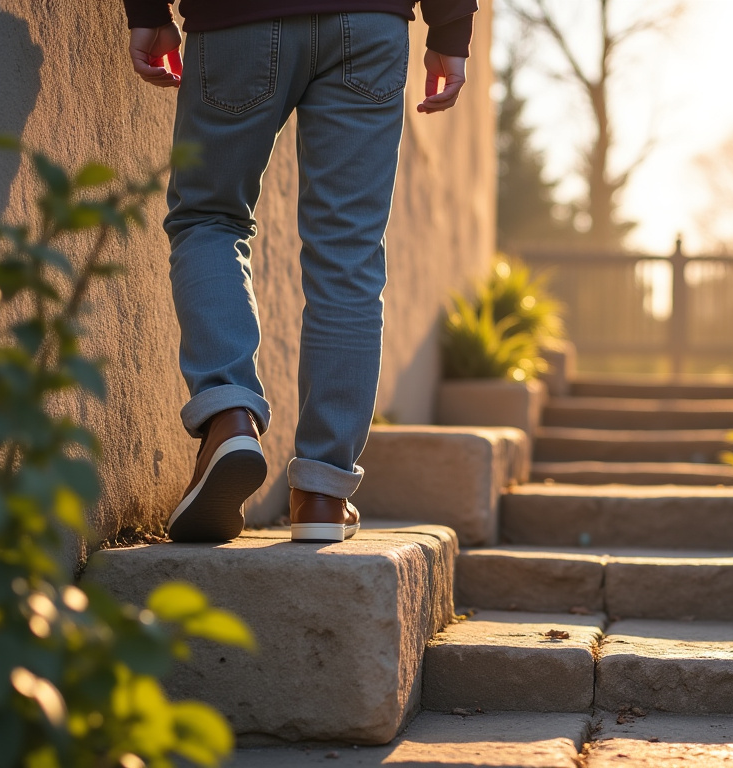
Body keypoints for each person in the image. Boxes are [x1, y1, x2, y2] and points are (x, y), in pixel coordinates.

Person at [122, 0, 475, 544]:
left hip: (238, 22)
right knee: (348, 253)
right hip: (369, 25)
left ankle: (230, 416)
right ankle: (321, 493)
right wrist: (451, 29)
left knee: (209, 216)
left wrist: (146, 10)